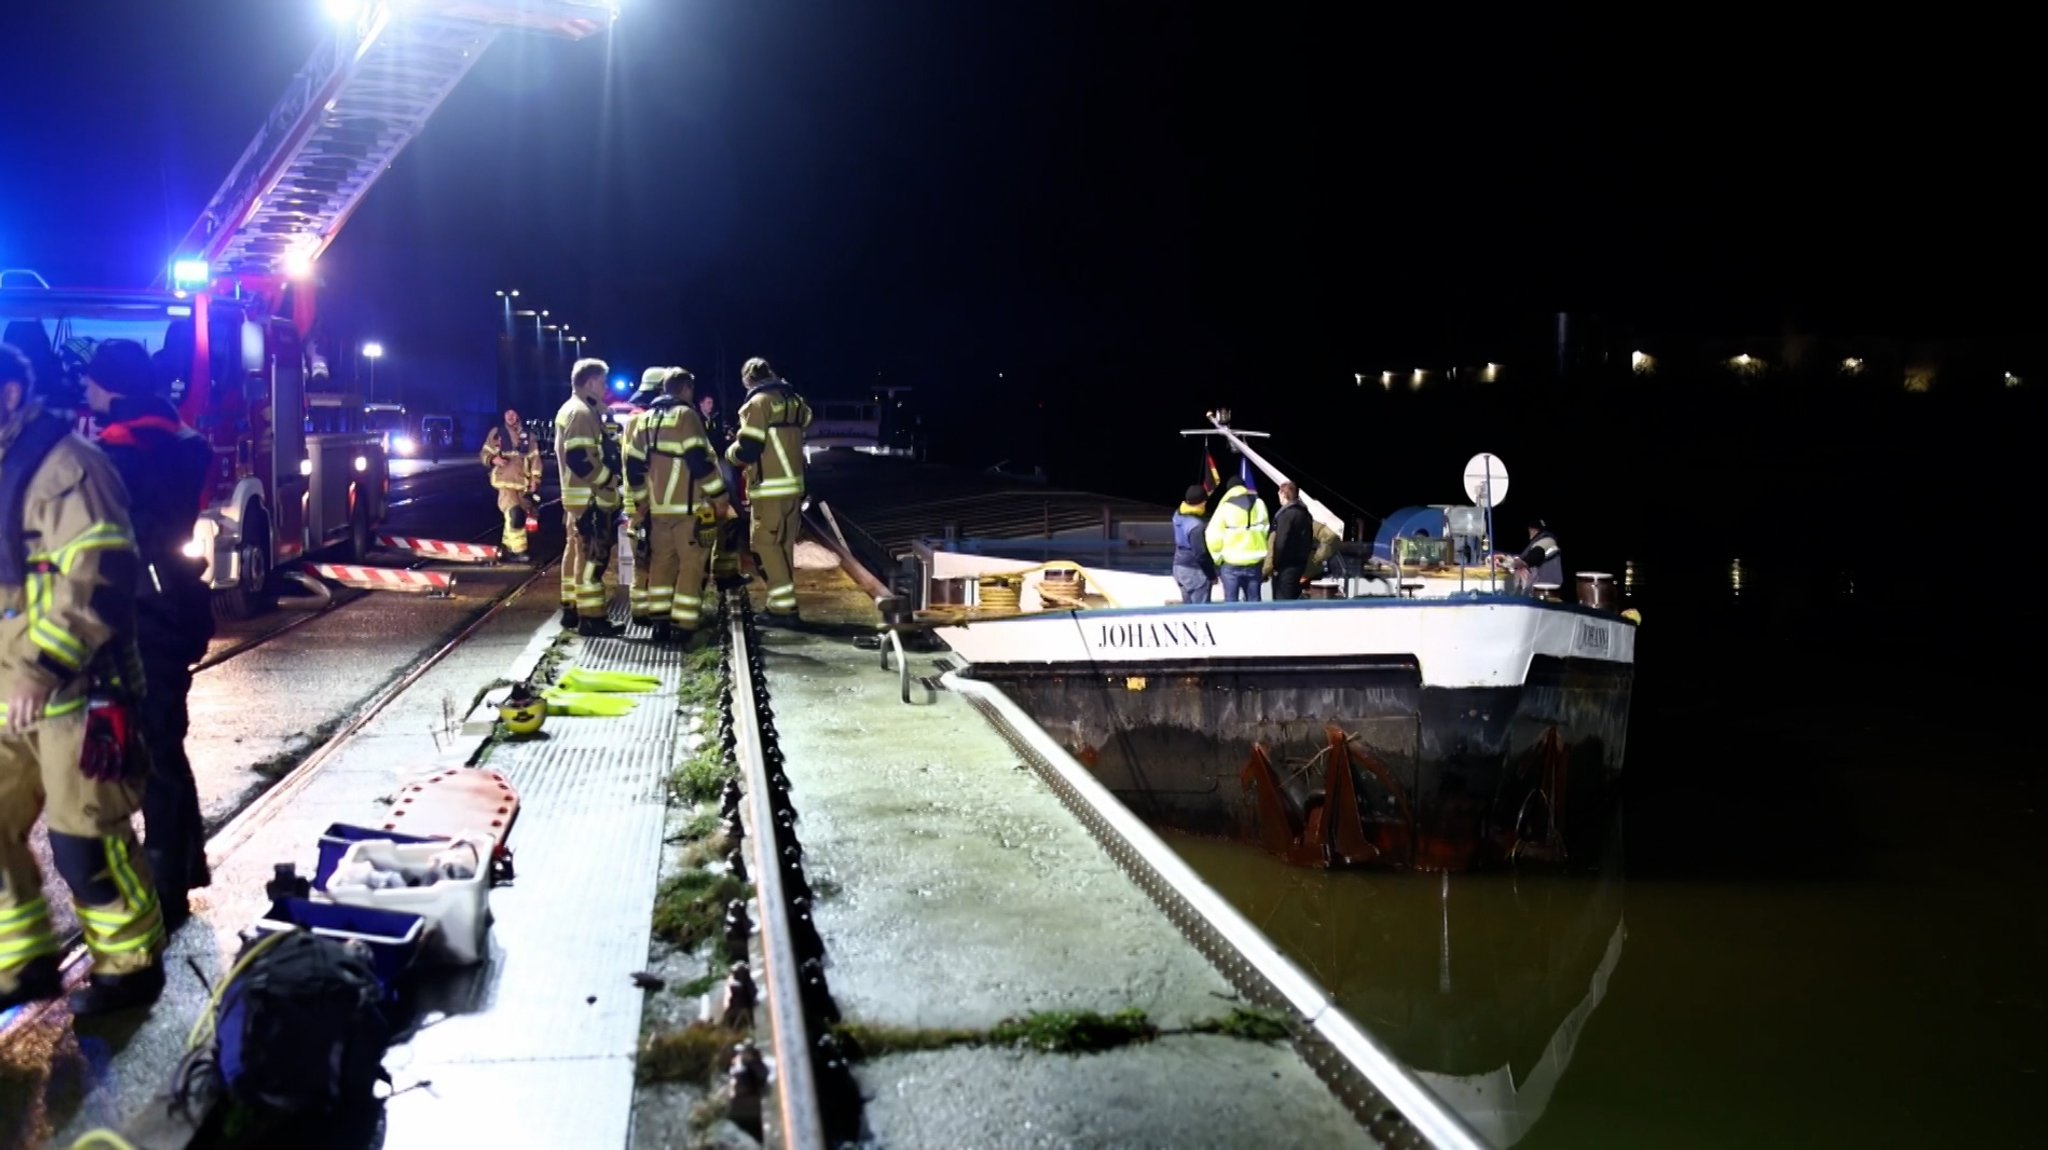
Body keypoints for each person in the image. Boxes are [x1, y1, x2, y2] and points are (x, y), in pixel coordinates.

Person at [0, 342, 166, 1015]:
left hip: (74, 691)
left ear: (10, 395)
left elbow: (101, 580)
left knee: (84, 838)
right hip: (10, 691)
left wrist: (42, 665)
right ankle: (22, 962)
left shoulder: (71, 467)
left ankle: (130, 967)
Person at [84, 340, 216, 928]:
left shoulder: (116, 454)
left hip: (135, 613)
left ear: (109, 386)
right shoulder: (185, 443)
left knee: (140, 756)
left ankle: (163, 893)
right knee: (166, 745)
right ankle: (183, 869)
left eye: (91, 383)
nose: (85, 392)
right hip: (178, 606)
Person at [627, 368, 733, 647]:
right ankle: (684, 625)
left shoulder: (645, 420)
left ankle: (659, 622)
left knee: (661, 562)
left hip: (658, 511)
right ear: (686, 389)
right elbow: (700, 462)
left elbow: (633, 465)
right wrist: (719, 495)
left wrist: (642, 500)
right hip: (689, 510)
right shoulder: (687, 416)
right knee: (692, 563)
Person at [726, 358, 812, 625]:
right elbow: (807, 420)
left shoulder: (757, 404)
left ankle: (783, 609)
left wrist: (729, 453)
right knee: (783, 545)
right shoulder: (795, 401)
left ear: (748, 380)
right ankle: (784, 604)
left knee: (763, 545)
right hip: (794, 486)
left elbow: (749, 448)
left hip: (769, 488)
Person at [554, 358, 624, 636]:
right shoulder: (581, 413)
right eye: (603, 382)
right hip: (590, 497)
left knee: (574, 551)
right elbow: (580, 458)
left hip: (576, 497)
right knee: (592, 557)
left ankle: (572, 608)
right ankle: (592, 617)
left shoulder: (572, 409)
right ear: (591, 382)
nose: (606, 387)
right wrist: (609, 480)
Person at [620, 369, 666, 630]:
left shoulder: (632, 420)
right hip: (648, 501)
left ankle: (639, 610)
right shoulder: (646, 422)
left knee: (641, 558)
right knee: (656, 557)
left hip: (634, 500)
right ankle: (652, 612)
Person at [481, 408, 541, 563]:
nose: (510, 416)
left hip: (522, 483)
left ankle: (507, 546)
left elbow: (535, 459)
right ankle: (518, 550)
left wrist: (535, 479)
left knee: (517, 515)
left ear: (519, 415)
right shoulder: (496, 433)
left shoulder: (529, 436)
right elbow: (484, 453)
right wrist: (493, 459)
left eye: (513, 413)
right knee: (515, 514)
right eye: (507, 413)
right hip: (504, 481)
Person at [1205, 477, 1270, 602]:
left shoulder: (1224, 507)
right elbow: (1265, 528)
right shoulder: (1259, 504)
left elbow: (1212, 536)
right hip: (1255, 562)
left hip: (1230, 563)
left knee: (1231, 603)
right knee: (1254, 602)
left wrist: (1218, 558)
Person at [1268, 482, 1314, 601]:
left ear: (1284, 494)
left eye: (1279, 493)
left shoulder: (1286, 515)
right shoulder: (1305, 513)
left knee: (1282, 602)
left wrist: (1274, 564)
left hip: (1285, 566)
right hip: (1300, 564)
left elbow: (1281, 542)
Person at [1170, 484, 1215, 603]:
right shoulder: (1196, 526)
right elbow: (1200, 554)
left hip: (1178, 568)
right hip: (1194, 571)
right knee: (1200, 611)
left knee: (1188, 610)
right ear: (1202, 502)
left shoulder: (1177, 515)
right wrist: (1212, 575)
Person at [1512, 519, 1563, 596]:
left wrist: (1509, 563)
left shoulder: (1547, 541)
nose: (1530, 531)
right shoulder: (1540, 541)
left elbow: (1530, 559)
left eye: (1532, 529)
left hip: (1546, 591)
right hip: (1539, 589)